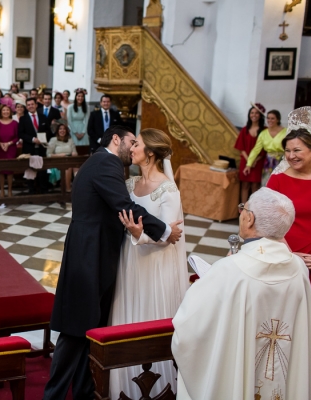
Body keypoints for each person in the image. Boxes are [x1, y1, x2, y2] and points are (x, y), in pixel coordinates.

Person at [43, 125, 182, 400]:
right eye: (131, 142)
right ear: (116, 139)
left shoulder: (104, 163)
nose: (132, 148)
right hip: (89, 257)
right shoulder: (106, 163)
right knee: (75, 330)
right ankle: (54, 395)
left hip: (100, 255)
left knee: (89, 327)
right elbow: (125, 206)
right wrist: (165, 230)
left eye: (137, 144)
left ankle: (84, 389)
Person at [172, 187, 311, 400]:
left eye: (243, 209)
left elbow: (190, 324)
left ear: (249, 219)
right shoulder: (298, 267)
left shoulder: (230, 269)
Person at [108, 128, 188, 397]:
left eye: (137, 144)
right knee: (127, 309)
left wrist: (138, 233)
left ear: (151, 152)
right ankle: (123, 383)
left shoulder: (168, 190)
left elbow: (169, 235)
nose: (131, 148)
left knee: (148, 314)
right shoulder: (129, 184)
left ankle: (156, 387)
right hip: (130, 262)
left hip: (154, 267)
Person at [266, 106, 311, 305]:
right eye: (287, 150)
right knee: (281, 310)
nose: (291, 155)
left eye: (297, 150)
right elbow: (268, 223)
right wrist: (289, 253)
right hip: (284, 254)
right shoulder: (277, 180)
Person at [244, 109, 287, 186]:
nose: (270, 120)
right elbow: (256, 150)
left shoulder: (286, 132)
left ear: (278, 119)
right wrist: (249, 164)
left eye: (272, 118)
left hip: (282, 161)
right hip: (268, 162)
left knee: (281, 185)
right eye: (268, 118)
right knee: (267, 184)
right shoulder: (263, 133)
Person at [235, 103, 266, 203]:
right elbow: (241, 148)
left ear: (260, 115)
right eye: (252, 113)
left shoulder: (265, 130)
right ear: (249, 115)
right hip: (246, 160)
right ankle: (243, 210)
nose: (254, 115)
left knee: (255, 186)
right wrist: (249, 160)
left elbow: (265, 149)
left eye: (257, 113)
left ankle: (253, 210)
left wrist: (255, 160)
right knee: (245, 185)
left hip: (258, 161)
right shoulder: (245, 130)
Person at [18, 97, 49, 194]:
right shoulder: (23, 119)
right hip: (29, 147)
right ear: (26, 107)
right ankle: (31, 190)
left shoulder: (43, 117)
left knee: (42, 169)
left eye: (32, 104)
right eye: (28, 105)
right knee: (30, 169)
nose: (31, 106)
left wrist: (43, 139)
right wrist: (32, 139)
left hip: (41, 148)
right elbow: (21, 134)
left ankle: (43, 190)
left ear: (36, 105)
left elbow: (48, 131)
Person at [0, 104, 18, 202]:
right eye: (3, 110)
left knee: (9, 170)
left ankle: (9, 190)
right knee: (1, 170)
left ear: (10, 112)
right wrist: (0, 143)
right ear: (1, 111)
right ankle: (1, 190)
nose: (5, 112)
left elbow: (17, 137)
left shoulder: (15, 123)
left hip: (11, 148)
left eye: (7, 110)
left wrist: (9, 143)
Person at [47, 121, 77, 192]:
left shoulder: (70, 140)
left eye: (64, 129)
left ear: (66, 131)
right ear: (57, 131)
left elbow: (75, 152)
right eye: (60, 129)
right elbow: (48, 154)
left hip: (69, 160)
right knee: (68, 167)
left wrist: (74, 153)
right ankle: (68, 189)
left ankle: (78, 188)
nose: (62, 131)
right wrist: (59, 155)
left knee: (77, 167)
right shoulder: (53, 140)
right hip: (58, 161)